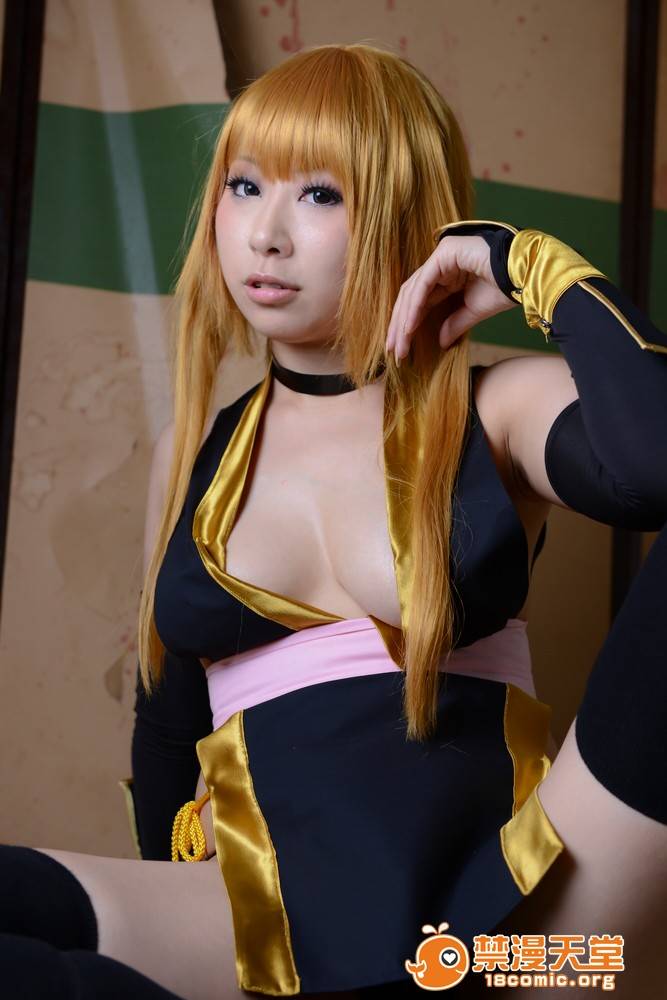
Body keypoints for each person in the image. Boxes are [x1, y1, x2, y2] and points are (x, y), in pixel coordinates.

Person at [2, 42, 666, 1000]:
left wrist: (526, 265)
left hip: (514, 924)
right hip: (267, 910)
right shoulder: (195, 454)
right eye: (243, 186)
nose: (265, 235)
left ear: (405, 217)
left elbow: (652, 467)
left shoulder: (494, 407)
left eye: (320, 194)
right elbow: (168, 728)